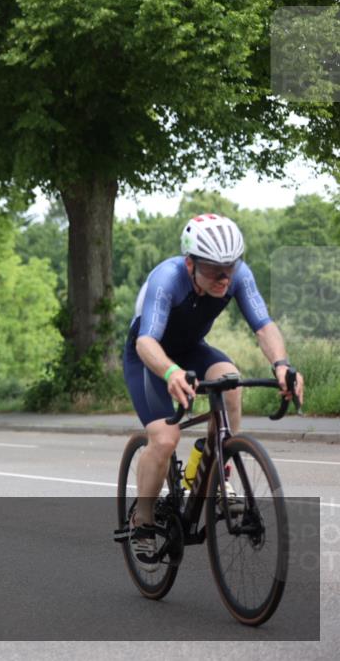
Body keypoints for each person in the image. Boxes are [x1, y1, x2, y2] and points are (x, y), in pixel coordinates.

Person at [122, 214, 304, 572]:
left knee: (231, 382)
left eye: (230, 268)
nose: (224, 278)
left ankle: (213, 466)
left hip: (191, 349)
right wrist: (170, 371)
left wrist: (281, 365)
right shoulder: (167, 279)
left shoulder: (239, 276)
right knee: (165, 439)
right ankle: (142, 518)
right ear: (190, 264)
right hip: (149, 357)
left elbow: (263, 326)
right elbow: (146, 342)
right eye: (214, 270)